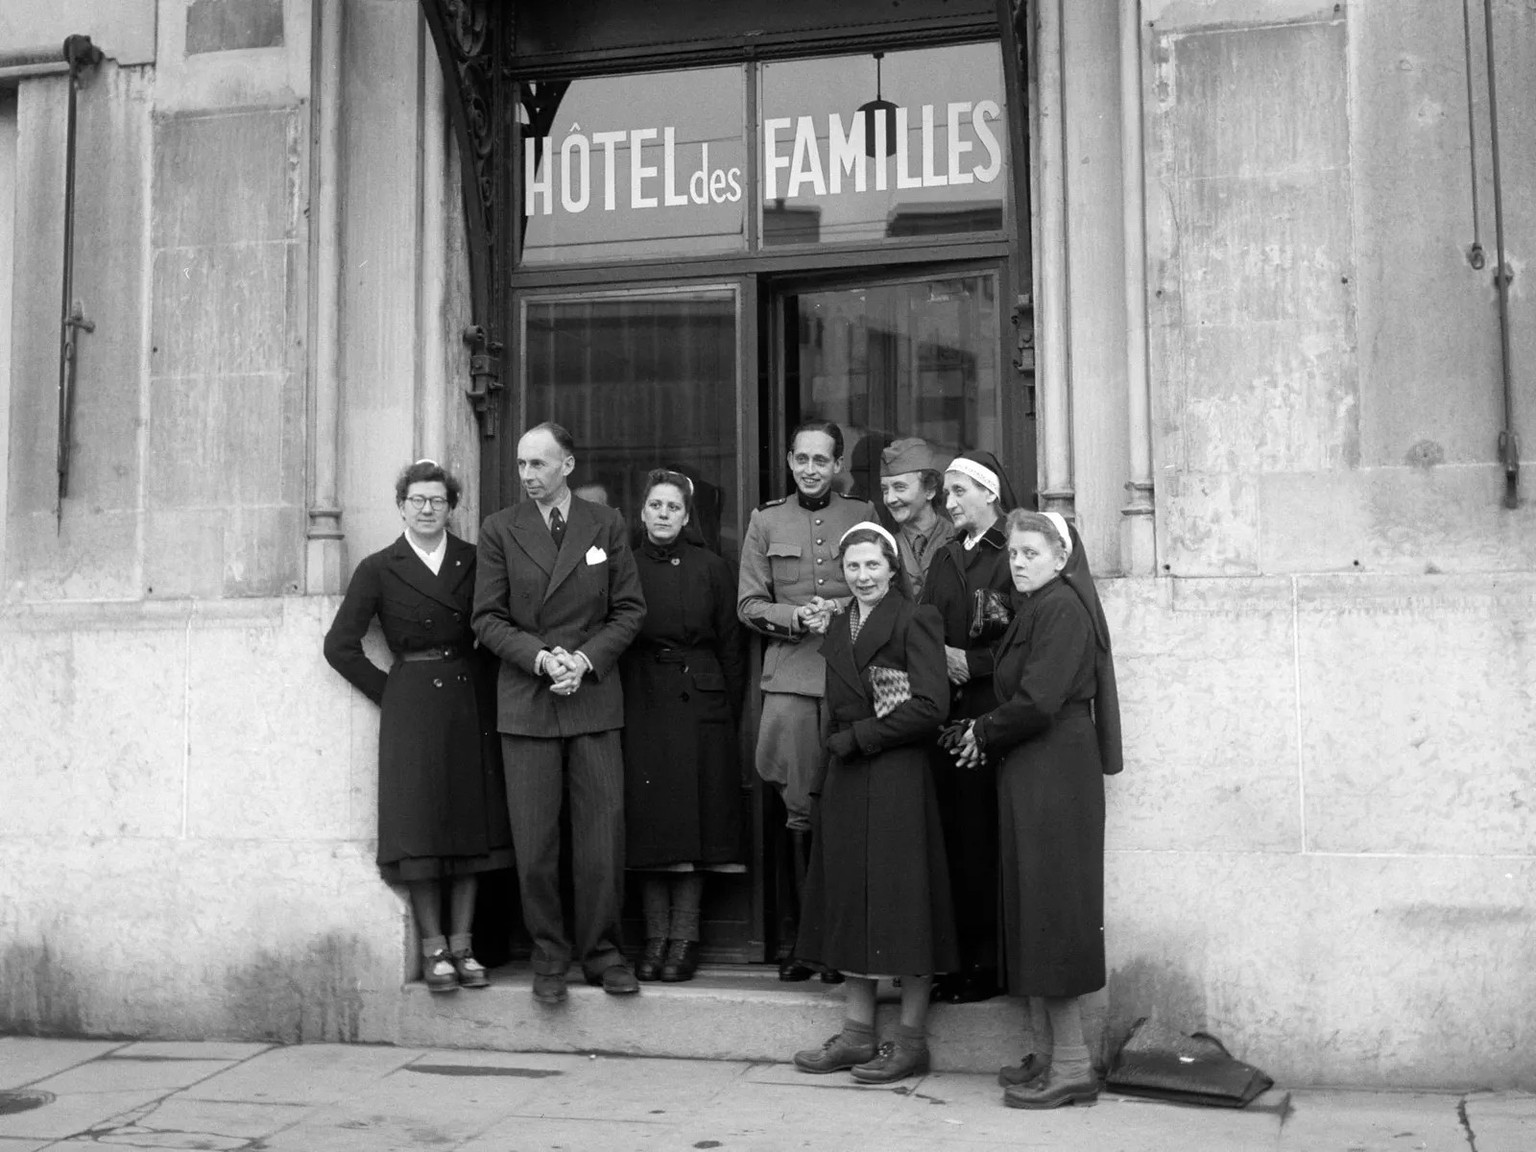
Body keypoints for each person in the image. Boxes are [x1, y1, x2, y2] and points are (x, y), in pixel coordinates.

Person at [471, 422, 647, 1004]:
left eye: (538, 465)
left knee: (602, 838)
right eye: (521, 465)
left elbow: (629, 610)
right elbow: (487, 618)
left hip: (593, 697)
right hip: (528, 701)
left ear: (566, 466)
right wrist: (543, 658)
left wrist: (586, 660)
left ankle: (602, 953)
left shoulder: (607, 525)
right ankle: (549, 956)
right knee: (536, 841)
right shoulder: (500, 529)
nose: (527, 476)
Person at [323, 460, 514, 993]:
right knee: (422, 829)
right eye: (417, 501)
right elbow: (339, 645)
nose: (427, 510)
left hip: (468, 704)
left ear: (451, 507)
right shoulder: (379, 567)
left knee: (471, 827)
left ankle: (464, 946)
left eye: (437, 501)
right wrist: (394, 693)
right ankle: (434, 951)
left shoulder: (476, 560)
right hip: (412, 709)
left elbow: (499, 627)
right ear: (401, 506)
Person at [952, 510, 1120, 1110]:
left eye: (1030, 553)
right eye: (1015, 553)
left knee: (1051, 911)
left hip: (1054, 770)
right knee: (1033, 905)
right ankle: (1050, 1055)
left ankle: (1073, 1065)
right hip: (1034, 767)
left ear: (1059, 557)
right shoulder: (1038, 606)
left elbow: (1040, 700)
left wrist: (982, 728)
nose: (1018, 562)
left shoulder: (1062, 609)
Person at [791, 523, 955, 1084]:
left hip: (896, 777)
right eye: (853, 567)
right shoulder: (839, 625)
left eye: (873, 566)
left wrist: (861, 737)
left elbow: (932, 705)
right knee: (849, 899)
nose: (862, 577)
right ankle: (858, 1035)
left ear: (892, 568)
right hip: (846, 775)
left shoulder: (915, 619)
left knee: (904, 902)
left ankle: (910, 1041)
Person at [738, 419, 875, 981]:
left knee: (845, 808)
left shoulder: (863, 516)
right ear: (789, 462)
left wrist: (839, 611)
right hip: (791, 679)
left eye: (822, 460)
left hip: (849, 678)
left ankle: (844, 944)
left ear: (838, 464)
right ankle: (801, 943)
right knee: (798, 811)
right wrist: (793, 616)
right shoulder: (766, 520)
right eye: (802, 459)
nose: (811, 469)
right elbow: (748, 603)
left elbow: (884, 587)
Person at [620, 470, 749, 984]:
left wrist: (727, 709)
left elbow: (732, 649)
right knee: (653, 824)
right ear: (642, 512)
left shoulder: (714, 569)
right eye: (655, 505)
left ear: (687, 515)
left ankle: (685, 939)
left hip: (702, 703)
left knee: (695, 825)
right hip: (643, 699)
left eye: (673, 507)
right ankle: (654, 939)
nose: (664, 515)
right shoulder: (622, 568)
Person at [920, 450, 1018, 1003]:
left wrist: (971, 663)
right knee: (956, 839)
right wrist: (943, 658)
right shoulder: (945, 557)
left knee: (985, 840)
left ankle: (987, 962)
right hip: (948, 716)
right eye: (947, 494)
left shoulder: (1013, 553)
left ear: (989, 493)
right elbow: (925, 624)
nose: (949, 503)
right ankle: (957, 959)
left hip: (992, 714)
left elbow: (1025, 636)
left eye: (959, 492)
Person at [878, 437, 956, 601]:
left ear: (929, 490)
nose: (890, 499)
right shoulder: (885, 546)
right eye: (885, 490)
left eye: (900, 487)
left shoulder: (959, 539)